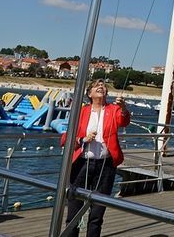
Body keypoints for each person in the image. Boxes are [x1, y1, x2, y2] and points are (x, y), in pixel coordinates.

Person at [62, 79, 131, 237]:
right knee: (73, 212)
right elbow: (65, 139)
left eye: (103, 86)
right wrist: (82, 140)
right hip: (81, 165)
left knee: (97, 215)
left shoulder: (113, 109)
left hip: (105, 167)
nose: (101, 87)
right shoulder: (82, 111)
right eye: (96, 86)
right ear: (89, 93)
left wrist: (124, 108)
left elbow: (124, 121)